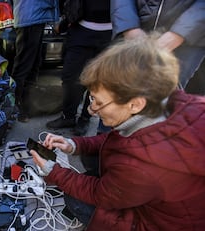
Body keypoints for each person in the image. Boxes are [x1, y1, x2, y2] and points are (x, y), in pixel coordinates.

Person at [30, 35, 205, 231]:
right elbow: (117, 140)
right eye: (91, 100)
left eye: (98, 103)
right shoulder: (169, 104)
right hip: (180, 222)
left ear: (135, 104)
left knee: (75, 198)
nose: (92, 111)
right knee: (95, 160)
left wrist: (54, 172)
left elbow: (99, 194)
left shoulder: (144, 167)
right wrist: (74, 145)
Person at [46, 0, 112, 136]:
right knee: (70, 78)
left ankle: (85, 118)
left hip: (109, 36)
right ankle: (68, 116)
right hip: (80, 32)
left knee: (97, 81)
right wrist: (64, 23)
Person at [110, 0, 205, 93]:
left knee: (164, 97)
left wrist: (179, 34)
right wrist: (130, 27)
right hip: (134, 28)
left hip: (188, 39)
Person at [11, 0, 59, 122]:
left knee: (32, 63)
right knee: (24, 65)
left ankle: (26, 103)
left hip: (32, 16)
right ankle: (14, 105)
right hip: (30, 16)